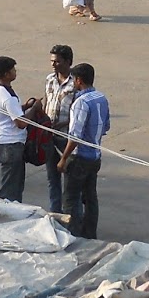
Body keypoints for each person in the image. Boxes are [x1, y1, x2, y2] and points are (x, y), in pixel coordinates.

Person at [57, 62, 109, 239]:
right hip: (95, 156)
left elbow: (75, 136)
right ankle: (89, 235)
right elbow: (106, 126)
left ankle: (72, 235)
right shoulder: (101, 98)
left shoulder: (81, 102)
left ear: (79, 80)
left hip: (79, 158)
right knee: (91, 197)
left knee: (71, 199)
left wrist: (63, 159)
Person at [42, 44, 78, 213]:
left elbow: (78, 113)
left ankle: (73, 217)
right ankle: (55, 213)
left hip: (66, 138)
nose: (53, 64)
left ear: (68, 62)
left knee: (71, 181)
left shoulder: (76, 84)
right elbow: (47, 103)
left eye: (57, 61)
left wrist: (62, 125)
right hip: (49, 137)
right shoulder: (50, 79)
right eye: (52, 61)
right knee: (52, 179)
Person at [0, 55, 29, 201]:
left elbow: (12, 111)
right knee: (11, 190)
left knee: (14, 185)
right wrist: (34, 109)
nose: (15, 71)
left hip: (6, 143)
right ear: (6, 74)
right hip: (11, 144)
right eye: (13, 69)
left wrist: (25, 107)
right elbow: (20, 123)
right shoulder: (8, 96)